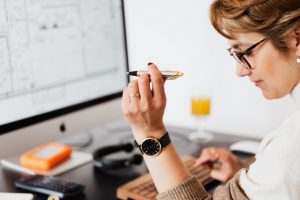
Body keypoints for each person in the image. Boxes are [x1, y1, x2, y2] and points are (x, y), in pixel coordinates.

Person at [121, 0, 300, 199]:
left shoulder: (289, 151)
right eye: (235, 55)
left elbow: (286, 167)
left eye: (245, 52)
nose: (240, 70)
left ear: (297, 38)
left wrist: (150, 132)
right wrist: (246, 172)